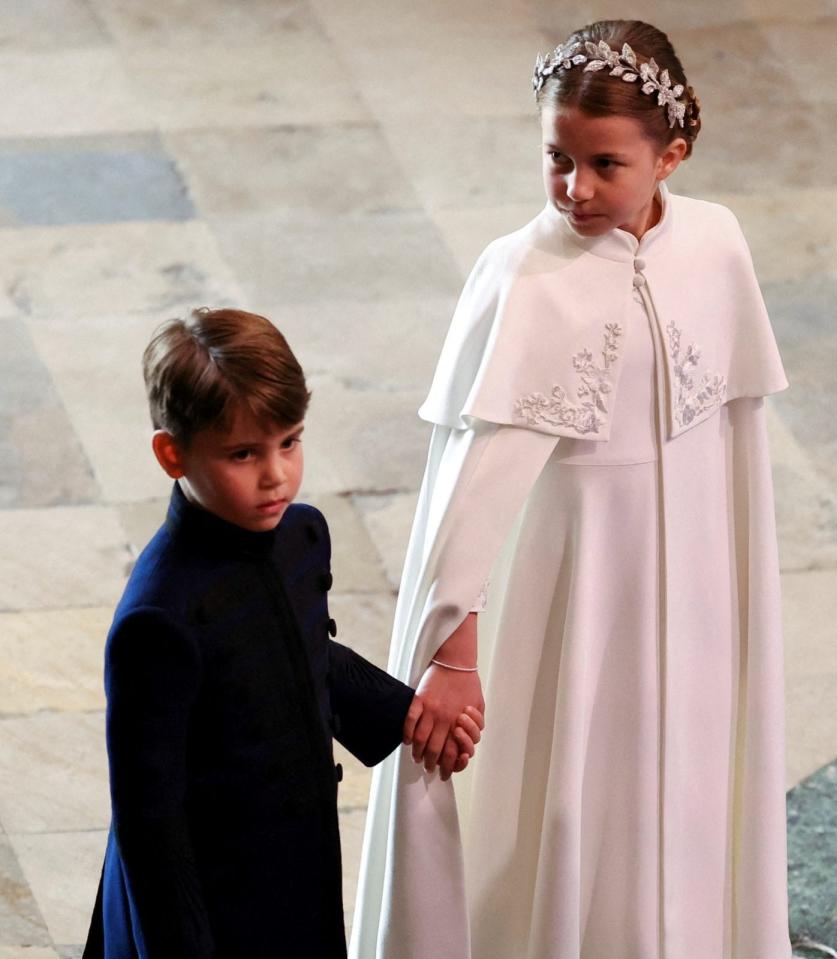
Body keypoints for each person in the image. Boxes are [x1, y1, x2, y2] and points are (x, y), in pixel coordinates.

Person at [351, 18, 791, 959]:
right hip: (574, 590)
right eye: (556, 158)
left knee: (683, 789)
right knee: (567, 799)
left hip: (693, 592)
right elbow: (466, 495)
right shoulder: (525, 276)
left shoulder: (716, 244)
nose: (575, 189)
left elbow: (734, 434)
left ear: (671, 155)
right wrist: (454, 652)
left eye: (605, 164)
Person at [82, 308, 482, 959]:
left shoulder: (300, 535)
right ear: (171, 452)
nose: (276, 475)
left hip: (297, 864)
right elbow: (150, 826)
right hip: (213, 898)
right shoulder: (157, 620)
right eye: (244, 453)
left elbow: (302, 649)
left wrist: (402, 710)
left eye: (290, 441)